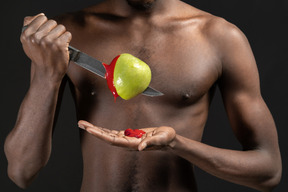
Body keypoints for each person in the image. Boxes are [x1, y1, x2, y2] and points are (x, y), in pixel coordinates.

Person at [4, 0, 282, 191]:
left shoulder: (220, 38)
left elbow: (268, 171)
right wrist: (46, 74)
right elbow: (21, 172)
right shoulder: (67, 35)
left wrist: (177, 144)